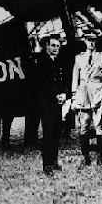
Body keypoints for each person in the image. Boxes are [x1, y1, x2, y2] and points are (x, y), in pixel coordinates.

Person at [32, 34, 71, 175]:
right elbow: (41, 84)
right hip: (46, 103)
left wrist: (65, 94)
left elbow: (64, 79)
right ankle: (47, 164)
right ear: (46, 46)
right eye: (53, 45)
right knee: (48, 133)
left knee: (56, 132)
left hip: (58, 102)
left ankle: (54, 161)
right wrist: (55, 95)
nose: (56, 48)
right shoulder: (40, 61)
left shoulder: (60, 61)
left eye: (58, 46)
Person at [71, 32, 102, 165]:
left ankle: (100, 155)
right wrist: (74, 95)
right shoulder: (79, 58)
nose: (91, 43)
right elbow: (74, 78)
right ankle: (86, 157)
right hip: (83, 96)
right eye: (89, 40)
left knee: (99, 125)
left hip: (98, 94)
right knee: (84, 126)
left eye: (94, 40)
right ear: (84, 41)